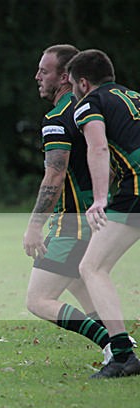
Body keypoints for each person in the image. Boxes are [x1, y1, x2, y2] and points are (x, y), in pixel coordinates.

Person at [22, 45, 112, 360]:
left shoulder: (58, 117)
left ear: (65, 77)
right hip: (100, 216)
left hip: (73, 222)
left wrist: (34, 226)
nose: (37, 77)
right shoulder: (92, 110)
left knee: (38, 300)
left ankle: (118, 348)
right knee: (77, 282)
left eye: (44, 71)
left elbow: (55, 176)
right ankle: (118, 345)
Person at [66, 49, 140, 379]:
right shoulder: (133, 96)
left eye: (71, 85)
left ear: (83, 82)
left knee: (92, 267)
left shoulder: (90, 102)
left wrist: (99, 200)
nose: (71, 93)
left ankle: (122, 356)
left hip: (136, 188)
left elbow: (98, 147)